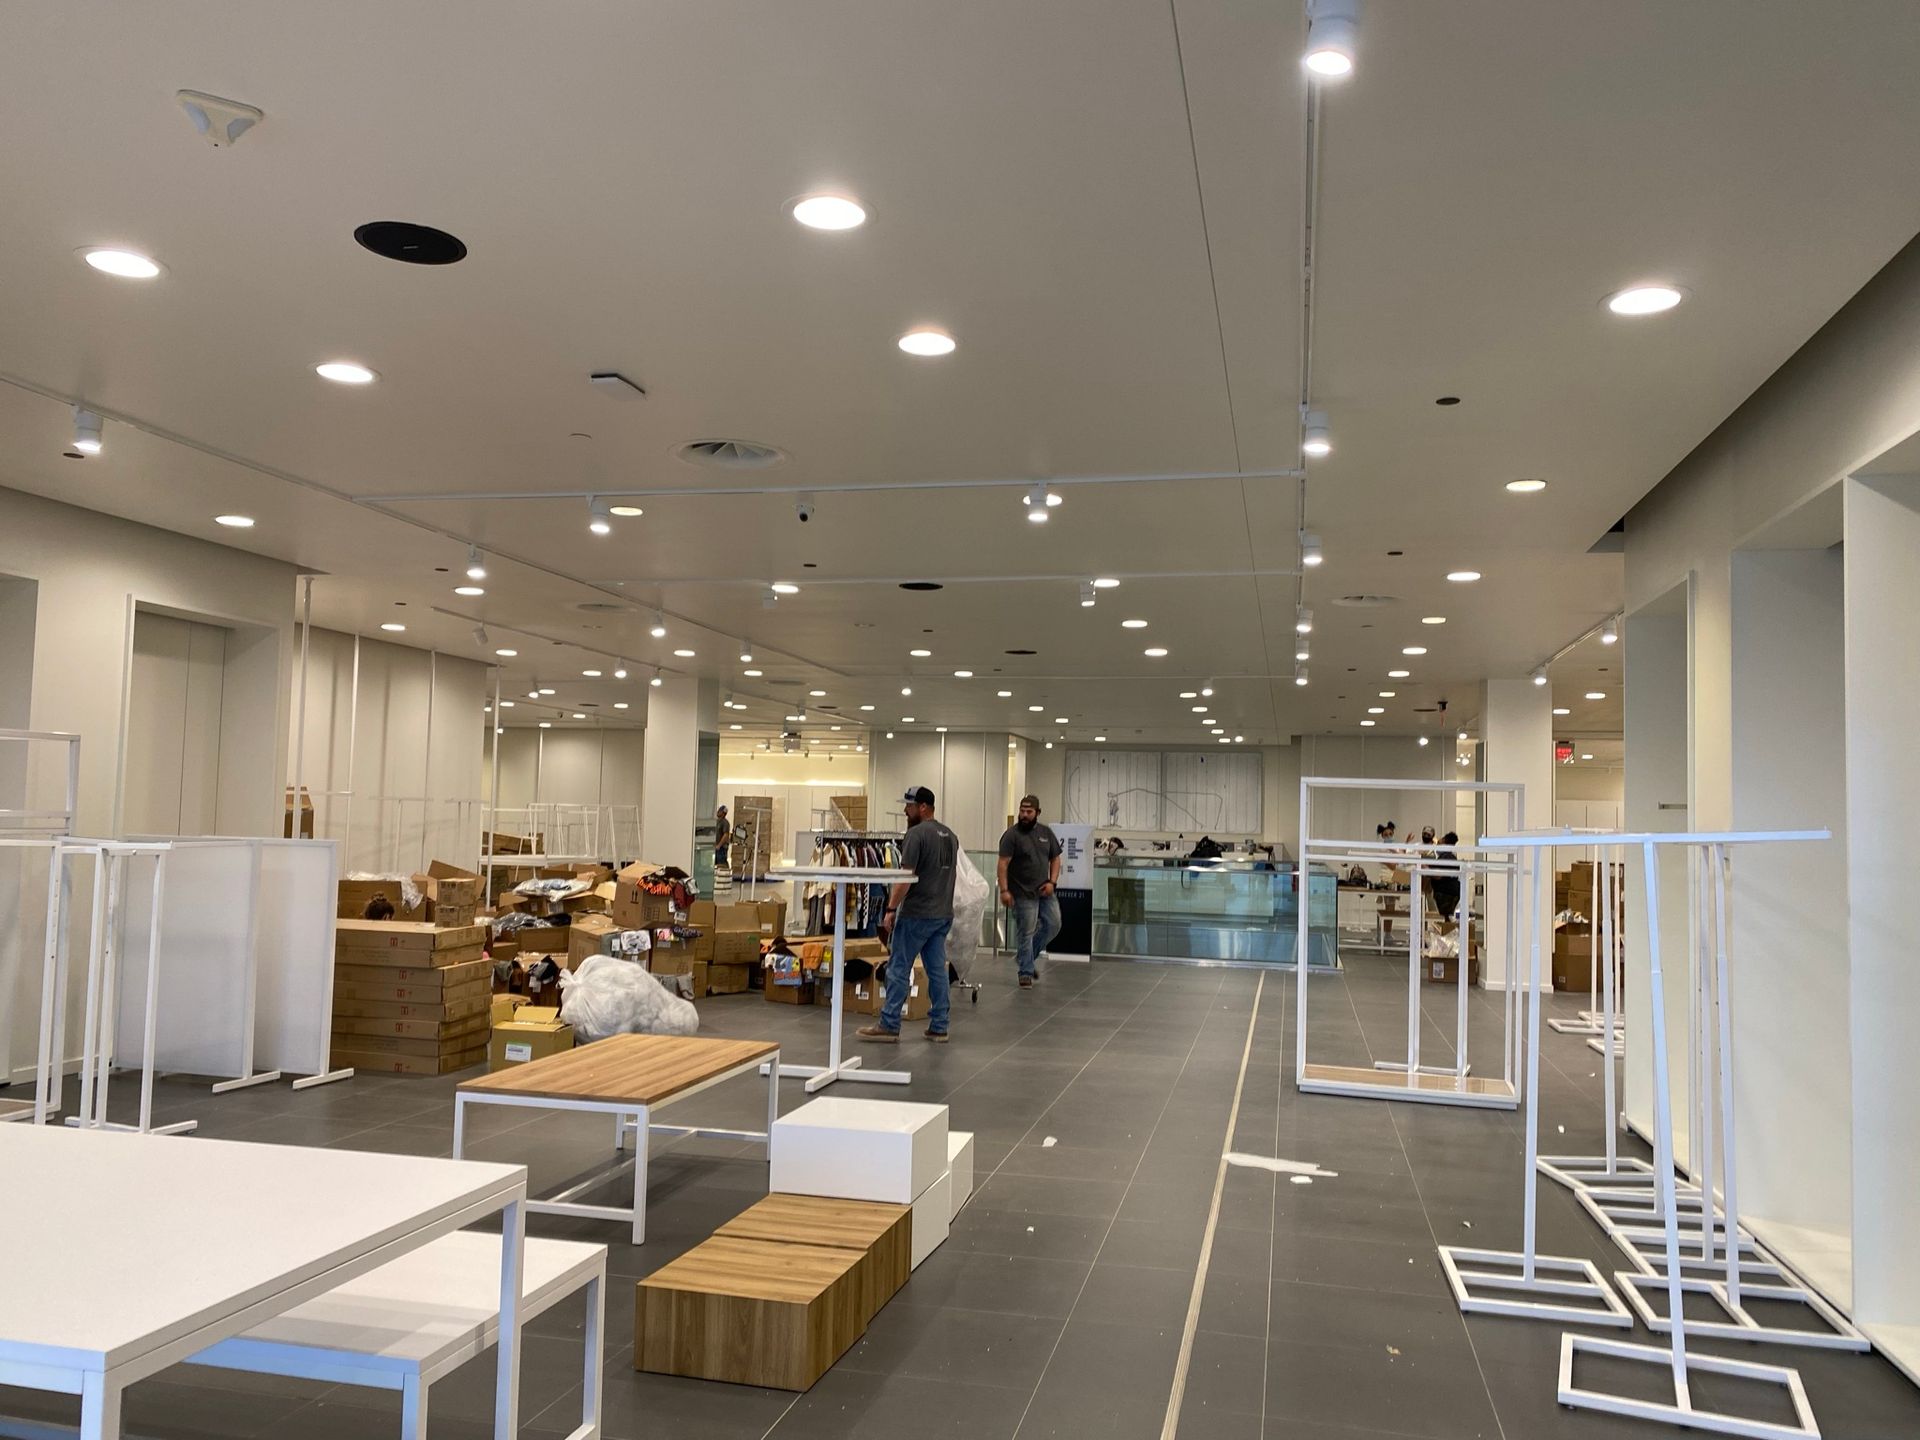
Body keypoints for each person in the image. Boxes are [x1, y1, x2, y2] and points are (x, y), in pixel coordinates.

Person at [858, 786, 956, 1043]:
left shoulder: (916, 834)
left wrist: (890, 909)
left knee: (898, 968)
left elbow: (905, 878)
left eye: (909, 806)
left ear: (923, 807)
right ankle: (940, 1025)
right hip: (943, 913)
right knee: (937, 971)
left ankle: (889, 1023)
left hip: (917, 914)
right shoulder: (950, 836)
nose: (905, 810)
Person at [997, 793, 1061, 989]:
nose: (1024, 815)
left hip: (1044, 891)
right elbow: (1002, 863)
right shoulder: (1011, 835)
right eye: (1022, 811)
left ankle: (1026, 957)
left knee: (1054, 924)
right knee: (1026, 932)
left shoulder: (1046, 833)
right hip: (1021, 893)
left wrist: (1052, 882)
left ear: (1037, 813)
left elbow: (1056, 858)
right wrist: (1004, 890)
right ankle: (1025, 972)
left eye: (1029, 811)